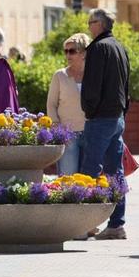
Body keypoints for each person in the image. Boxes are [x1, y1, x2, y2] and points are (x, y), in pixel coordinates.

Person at [80, 8, 130, 240]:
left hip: (101, 117)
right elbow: (126, 82)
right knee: (115, 172)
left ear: (99, 24)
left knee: (89, 170)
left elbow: (92, 86)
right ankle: (116, 224)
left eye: (91, 22)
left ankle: (83, 224)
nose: (89, 26)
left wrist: (89, 110)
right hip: (117, 115)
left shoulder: (99, 48)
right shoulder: (119, 46)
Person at [46, 32, 89, 175]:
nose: (68, 55)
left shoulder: (94, 75)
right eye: (66, 51)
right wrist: (57, 127)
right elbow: (51, 104)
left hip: (91, 132)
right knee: (67, 179)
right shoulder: (60, 75)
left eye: (72, 51)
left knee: (89, 179)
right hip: (68, 135)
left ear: (83, 53)